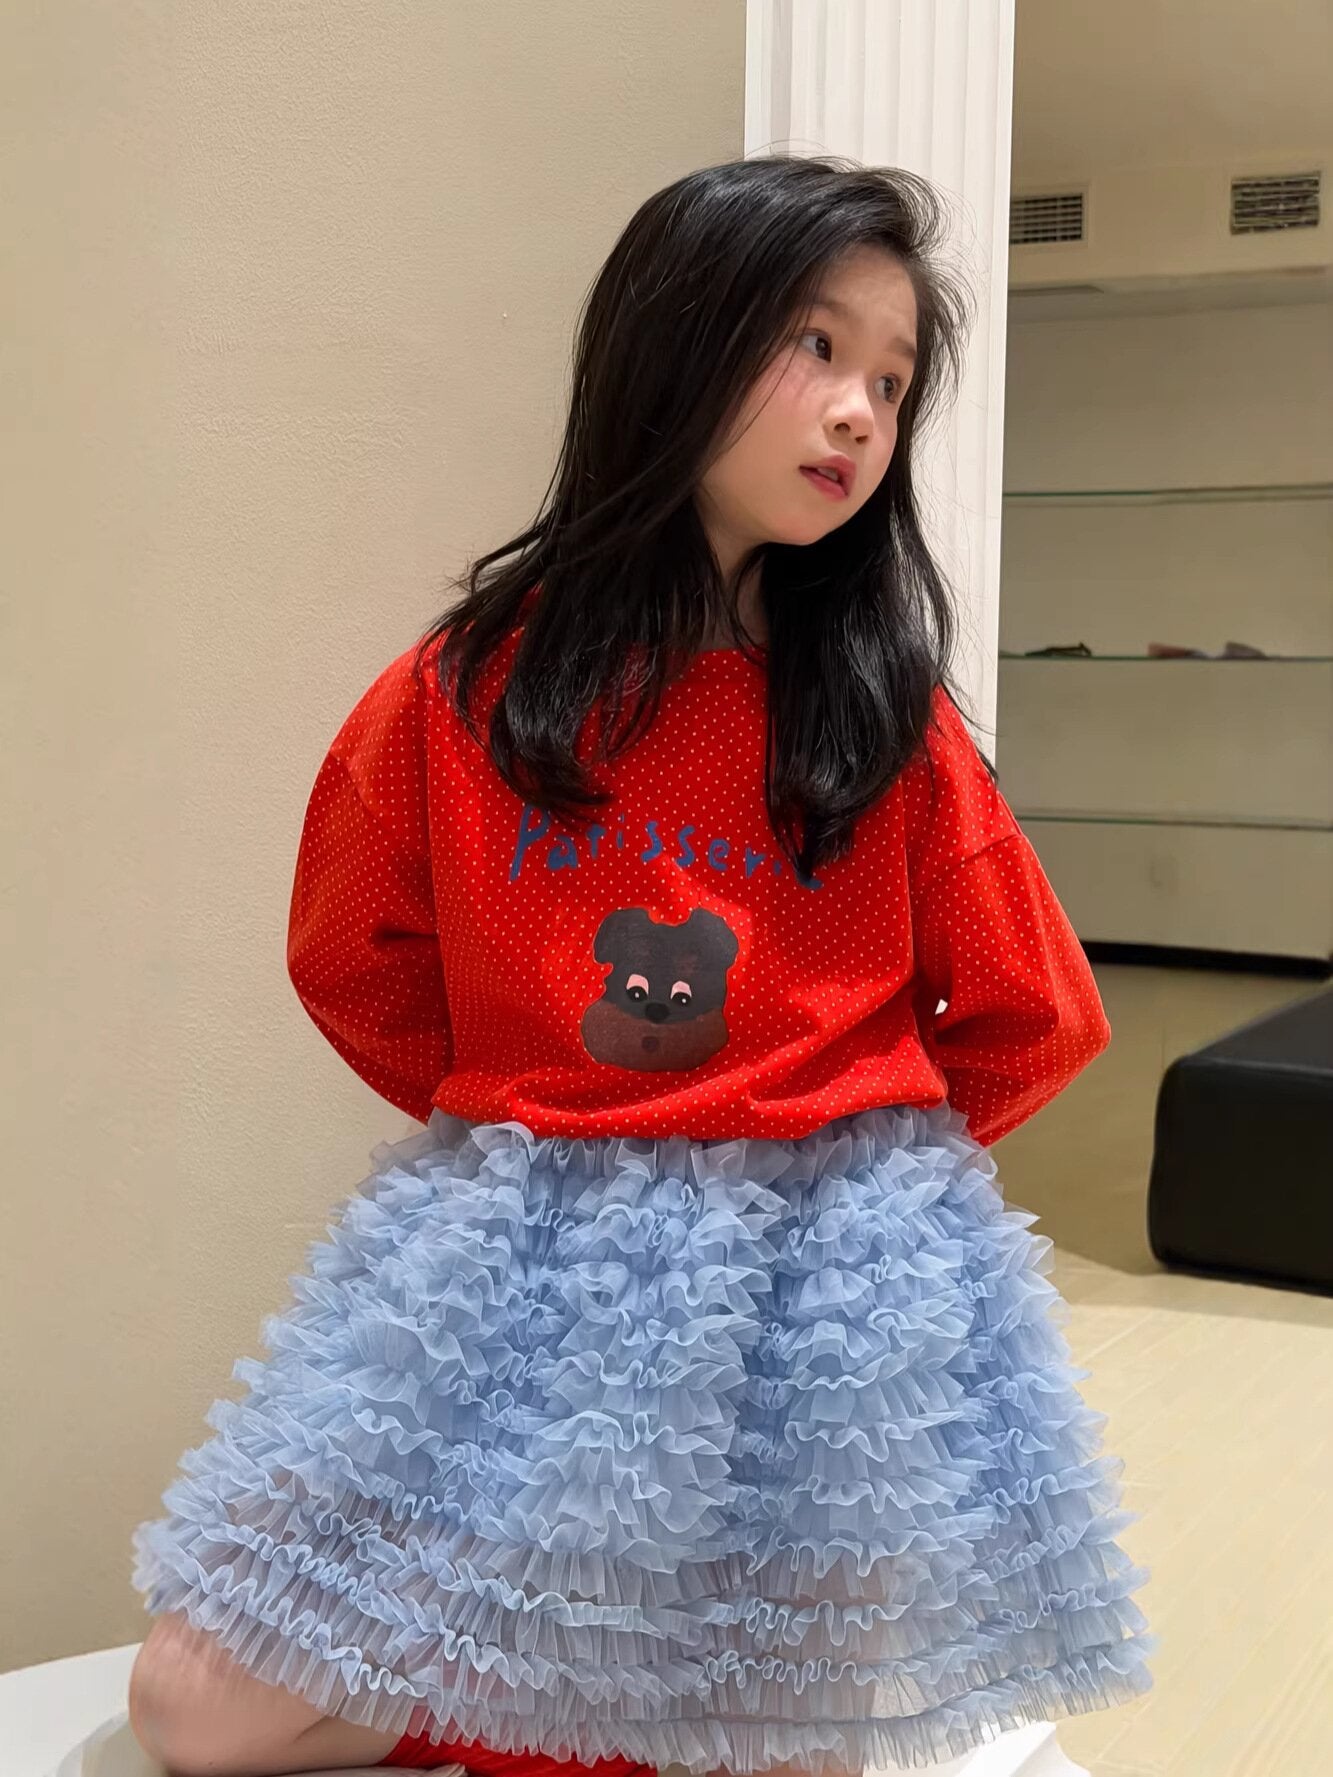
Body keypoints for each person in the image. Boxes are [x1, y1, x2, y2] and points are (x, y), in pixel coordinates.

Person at [127, 153, 1155, 1777]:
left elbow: (1035, 1011)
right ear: (674, 340)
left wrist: (864, 1166)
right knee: (196, 1709)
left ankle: (607, 1700)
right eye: (815, 346)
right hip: (524, 1262)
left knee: (769, 1719)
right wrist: (534, 1123)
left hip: (818, 1305)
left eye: (892, 381)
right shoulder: (469, 693)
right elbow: (353, 954)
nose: (858, 412)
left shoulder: (877, 722)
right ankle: (547, 1695)